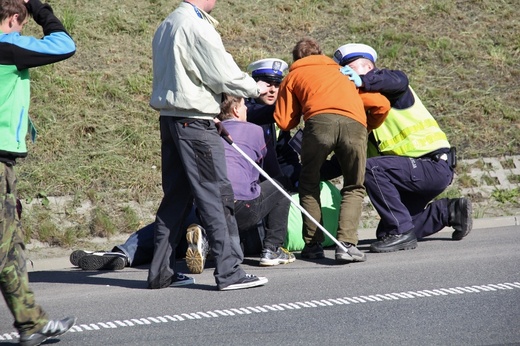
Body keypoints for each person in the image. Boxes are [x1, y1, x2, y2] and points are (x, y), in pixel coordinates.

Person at [71, 94, 296, 271]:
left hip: (203, 204)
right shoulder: (256, 130)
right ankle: (271, 249)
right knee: (280, 186)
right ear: (237, 109)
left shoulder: (208, 133)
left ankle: (124, 253)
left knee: (171, 228)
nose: (248, 110)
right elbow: (271, 174)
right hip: (239, 207)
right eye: (245, 106)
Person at [147, 0, 269, 291]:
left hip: (172, 119)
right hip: (195, 124)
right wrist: (255, 88)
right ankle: (229, 272)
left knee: (175, 199)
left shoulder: (167, 24)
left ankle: (160, 272)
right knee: (216, 195)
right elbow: (222, 72)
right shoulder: (197, 25)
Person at [333, 43, 473, 253]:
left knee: (372, 168)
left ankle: (402, 233)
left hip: (431, 165)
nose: (344, 78)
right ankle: (449, 211)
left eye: (348, 70)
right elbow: (344, 159)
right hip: (406, 176)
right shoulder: (363, 110)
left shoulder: (393, 89)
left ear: (368, 67)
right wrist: (303, 174)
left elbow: (399, 79)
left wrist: (363, 81)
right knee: (386, 232)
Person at [274, 37, 390, 263]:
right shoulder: (343, 72)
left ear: (297, 59)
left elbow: (284, 122)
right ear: (321, 54)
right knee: (354, 186)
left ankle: (313, 244)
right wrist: (366, 127)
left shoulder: (294, 75)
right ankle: (346, 245)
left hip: (319, 126)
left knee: (309, 184)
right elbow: (382, 105)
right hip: (355, 126)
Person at [0, 0, 76, 344]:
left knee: (10, 248)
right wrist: (38, 6)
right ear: (14, 18)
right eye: (23, 22)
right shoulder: (8, 43)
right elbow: (64, 44)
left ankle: (31, 323)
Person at [245, 58, 301, 192]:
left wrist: (299, 178)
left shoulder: (276, 113)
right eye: (268, 84)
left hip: (270, 184)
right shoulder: (243, 107)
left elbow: (284, 156)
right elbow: (254, 114)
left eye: (277, 85)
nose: (273, 90)